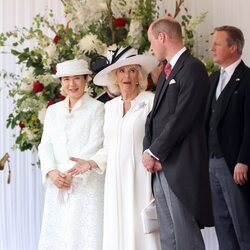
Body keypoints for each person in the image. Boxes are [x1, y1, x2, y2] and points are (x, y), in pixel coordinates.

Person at [68, 47, 161, 250]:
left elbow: (160, 141)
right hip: (114, 180)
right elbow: (109, 146)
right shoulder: (109, 107)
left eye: (132, 70)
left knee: (142, 230)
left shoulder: (150, 101)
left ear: (139, 76)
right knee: (116, 230)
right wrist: (91, 163)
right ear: (114, 78)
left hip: (142, 177)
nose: (126, 76)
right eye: (121, 71)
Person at [142, 17, 214, 250]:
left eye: (152, 41)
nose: (151, 47)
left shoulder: (193, 68)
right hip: (162, 165)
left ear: (162, 37)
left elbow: (183, 118)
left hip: (180, 165)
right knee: (168, 235)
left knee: (185, 235)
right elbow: (154, 118)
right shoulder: (165, 72)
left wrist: (155, 152)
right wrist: (148, 149)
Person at [38, 59, 105, 250]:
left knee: (84, 235)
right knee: (58, 235)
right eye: (66, 79)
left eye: (77, 78)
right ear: (61, 83)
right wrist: (52, 173)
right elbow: (46, 146)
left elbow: (95, 144)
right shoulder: (53, 111)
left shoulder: (97, 109)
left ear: (86, 80)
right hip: (57, 182)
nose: (72, 84)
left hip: (85, 182)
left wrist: (69, 174)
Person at [205, 25, 250, 250]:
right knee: (222, 226)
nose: (211, 48)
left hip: (234, 164)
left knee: (243, 226)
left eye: (218, 43)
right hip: (212, 162)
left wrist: (244, 160)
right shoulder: (213, 78)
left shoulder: (248, 78)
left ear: (233, 47)